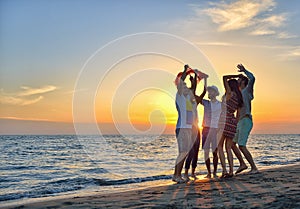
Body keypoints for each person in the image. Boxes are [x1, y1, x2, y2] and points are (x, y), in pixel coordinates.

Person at [233, 64, 258, 174]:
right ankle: (242, 164)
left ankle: (254, 168)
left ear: (243, 81)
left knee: (242, 145)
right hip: (239, 122)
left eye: (239, 79)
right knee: (232, 144)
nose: (238, 80)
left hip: (246, 120)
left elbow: (252, 78)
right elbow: (237, 111)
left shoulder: (247, 91)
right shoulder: (238, 94)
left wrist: (244, 71)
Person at [218, 76, 243, 178]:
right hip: (232, 122)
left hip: (223, 120)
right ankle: (231, 171)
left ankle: (224, 170)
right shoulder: (239, 98)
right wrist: (234, 125)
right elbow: (238, 115)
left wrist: (236, 76)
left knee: (220, 146)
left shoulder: (229, 93)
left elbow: (224, 77)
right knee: (228, 148)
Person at [172, 65, 194, 183]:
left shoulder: (187, 100)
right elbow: (180, 83)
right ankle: (176, 176)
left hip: (188, 129)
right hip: (182, 128)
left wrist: (193, 80)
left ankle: (177, 175)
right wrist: (185, 71)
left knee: (185, 152)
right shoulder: (179, 96)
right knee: (182, 152)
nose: (186, 87)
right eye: (184, 86)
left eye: (187, 87)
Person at [199, 83, 222, 178]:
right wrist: (203, 89)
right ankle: (209, 173)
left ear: (216, 93)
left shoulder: (220, 104)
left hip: (216, 129)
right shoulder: (206, 103)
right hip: (206, 129)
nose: (209, 92)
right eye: (209, 91)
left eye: (211, 91)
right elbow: (197, 98)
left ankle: (215, 172)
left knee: (215, 152)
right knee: (206, 152)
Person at [183, 71, 203, 180]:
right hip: (190, 128)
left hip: (197, 128)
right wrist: (193, 79)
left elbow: (194, 88)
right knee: (190, 150)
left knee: (196, 151)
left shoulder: (194, 101)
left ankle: (193, 173)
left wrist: (195, 78)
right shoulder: (186, 100)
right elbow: (193, 89)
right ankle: (185, 173)